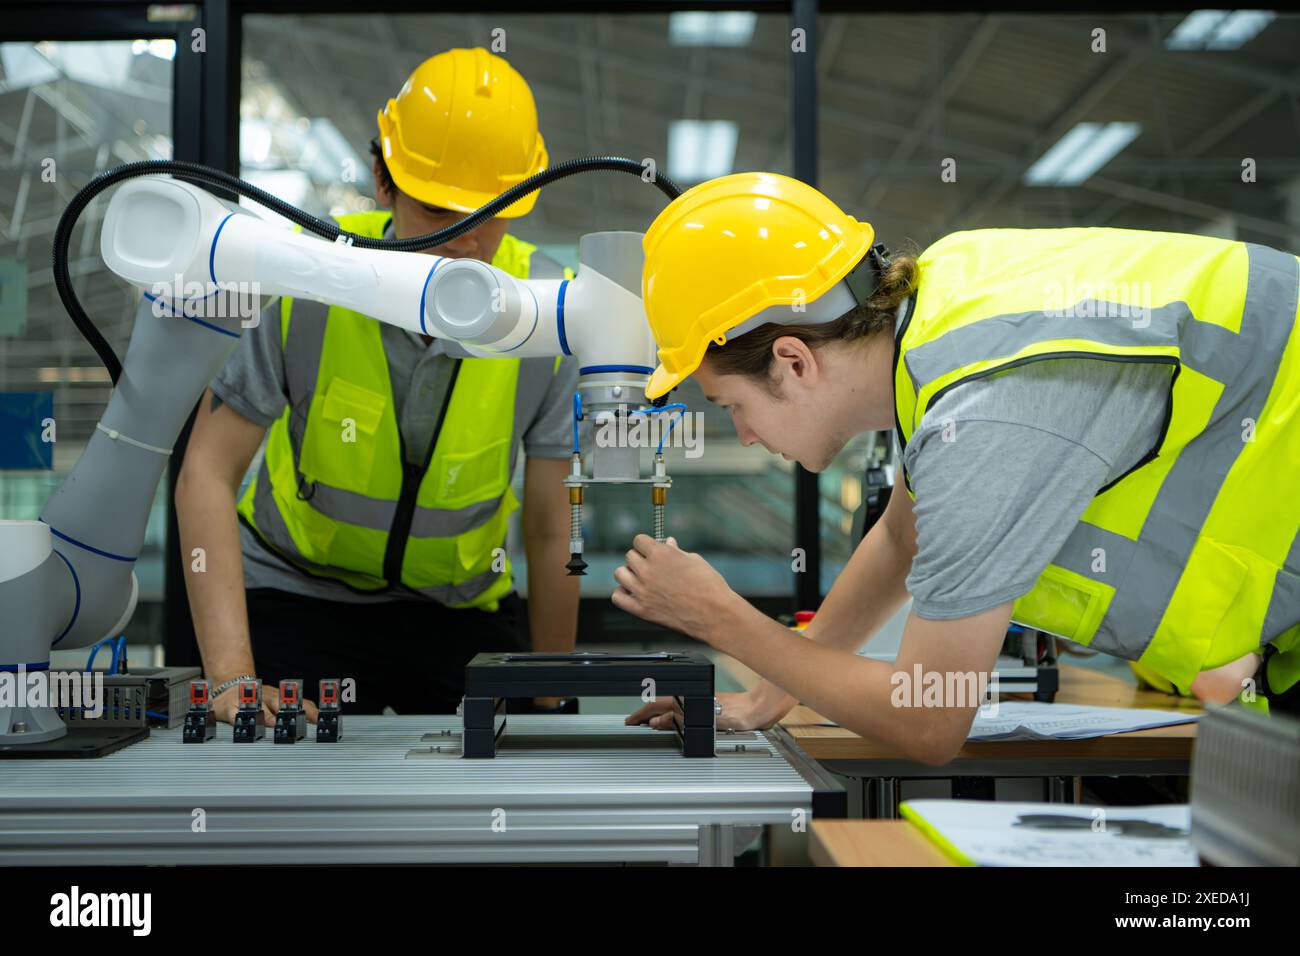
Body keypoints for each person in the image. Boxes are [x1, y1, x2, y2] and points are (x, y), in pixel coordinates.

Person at [619, 171, 1300, 761]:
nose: (744, 433)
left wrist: (723, 620)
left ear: (793, 361)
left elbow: (929, 718)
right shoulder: (946, 314)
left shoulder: (983, 414)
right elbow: (899, 537)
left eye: (730, 404)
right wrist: (766, 698)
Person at [177, 48, 580, 726]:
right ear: (381, 181)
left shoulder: (547, 314)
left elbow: (549, 525)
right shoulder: (302, 282)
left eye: (491, 212)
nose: (465, 242)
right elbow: (206, 472)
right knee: (268, 782)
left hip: (459, 608)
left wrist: (554, 689)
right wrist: (231, 681)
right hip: (297, 595)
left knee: (514, 784)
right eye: (437, 210)